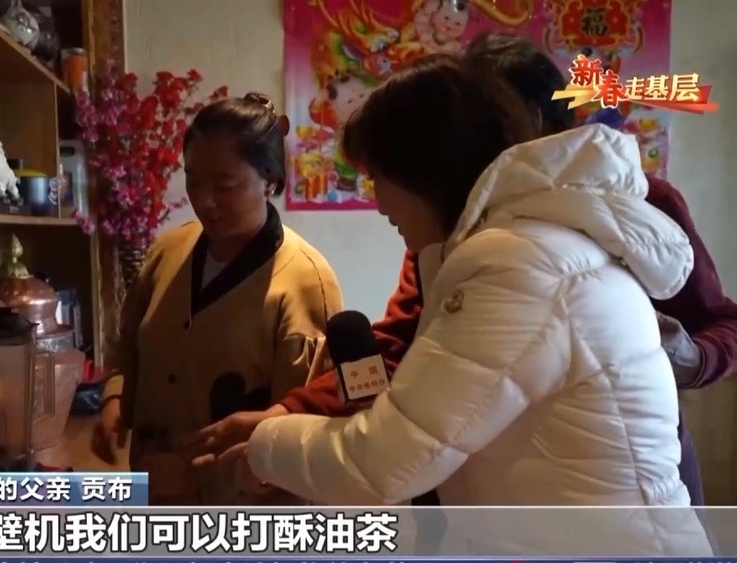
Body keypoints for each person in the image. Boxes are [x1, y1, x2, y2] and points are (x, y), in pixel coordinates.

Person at [192, 33, 737, 508]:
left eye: (379, 177)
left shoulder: (517, 262)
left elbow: (382, 461)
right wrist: (287, 414)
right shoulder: (467, 245)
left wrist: (265, 450)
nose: (376, 203)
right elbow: (408, 351)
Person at [91, 92, 343, 505]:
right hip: (152, 495)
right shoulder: (167, 251)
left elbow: (303, 432)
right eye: (193, 181)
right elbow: (129, 343)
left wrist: (198, 480)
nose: (204, 201)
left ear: (270, 180)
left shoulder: (305, 281)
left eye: (224, 186)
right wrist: (115, 399)